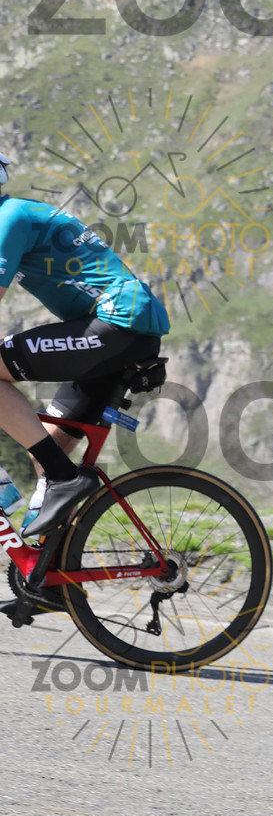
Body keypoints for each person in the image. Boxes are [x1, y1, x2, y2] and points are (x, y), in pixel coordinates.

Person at [0, 150, 171, 538]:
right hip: (119, 331)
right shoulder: (17, 214)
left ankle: (59, 478)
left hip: (117, 324)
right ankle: (50, 569)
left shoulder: (9, 219)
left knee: (55, 466)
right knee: (47, 449)